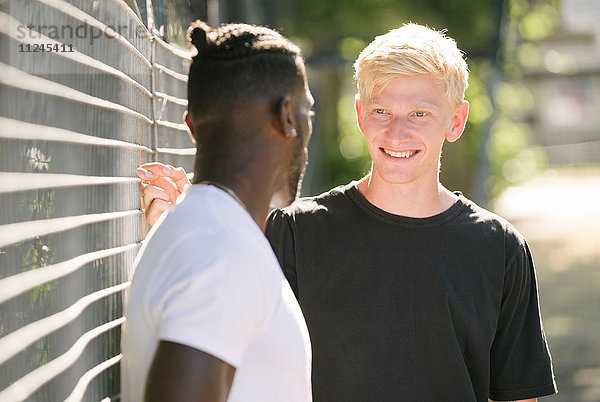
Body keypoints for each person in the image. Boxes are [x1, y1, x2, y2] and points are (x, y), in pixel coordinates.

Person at [138, 23, 556, 401]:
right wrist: (175, 222)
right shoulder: (293, 231)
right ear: (359, 113)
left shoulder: (499, 247)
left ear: (456, 120)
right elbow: (220, 304)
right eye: (381, 111)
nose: (397, 132)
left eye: (420, 114)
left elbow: (516, 396)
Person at [122, 20, 314, 402]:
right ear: (288, 115)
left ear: (192, 128)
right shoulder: (221, 250)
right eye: (309, 110)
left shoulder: (206, 232)